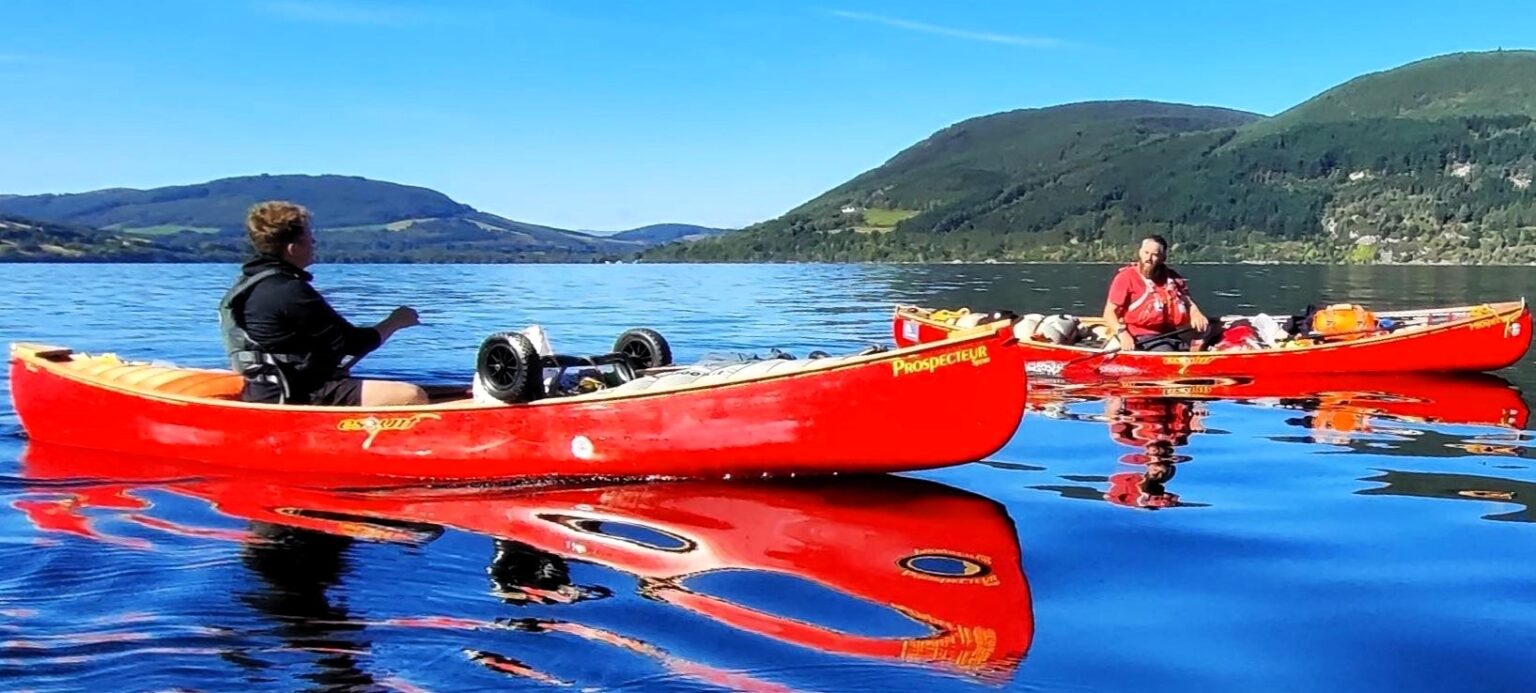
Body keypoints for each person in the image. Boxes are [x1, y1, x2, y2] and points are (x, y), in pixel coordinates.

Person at [219, 201, 428, 406]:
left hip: (267, 389)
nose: (314, 244)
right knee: (411, 394)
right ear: (292, 249)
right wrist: (395, 322)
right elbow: (353, 343)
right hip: (293, 394)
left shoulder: (250, 284)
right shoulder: (287, 290)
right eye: (310, 239)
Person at [1101, 235, 1218, 352]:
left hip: (1172, 333)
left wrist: (1196, 313)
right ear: (1140, 252)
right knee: (1168, 352)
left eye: (1155, 255)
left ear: (1163, 257)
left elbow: (1187, 301)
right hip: (1142, 336)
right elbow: (1109, 312)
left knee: (1210, 336)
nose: (1148, 258)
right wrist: (1122, 334)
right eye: (1146, 253)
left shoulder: (1173, 278)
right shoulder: (1126, 277)